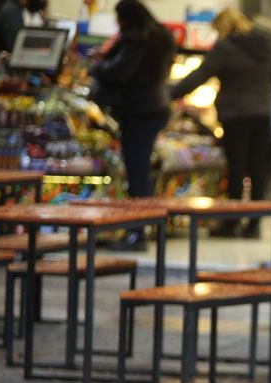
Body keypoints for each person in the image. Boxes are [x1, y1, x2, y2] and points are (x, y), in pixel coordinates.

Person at [171, 8, 271, 238]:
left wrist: (170, 93)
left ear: (223, 27)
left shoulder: (225, 48)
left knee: (236, 169)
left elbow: (199, 76)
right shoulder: (266, 46)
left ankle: (231, 222)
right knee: (259, 170)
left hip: (236, 115)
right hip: (264, 114)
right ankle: (254, 225)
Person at [90, 0, 174, 250]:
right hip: (157, 106)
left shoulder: (136, 39)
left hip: (138, 109)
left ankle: (138, 232)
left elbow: (121, 72)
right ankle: (147, 228)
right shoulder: (163, 36)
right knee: (142, 170)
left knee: (137, 172)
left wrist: (99, 66)